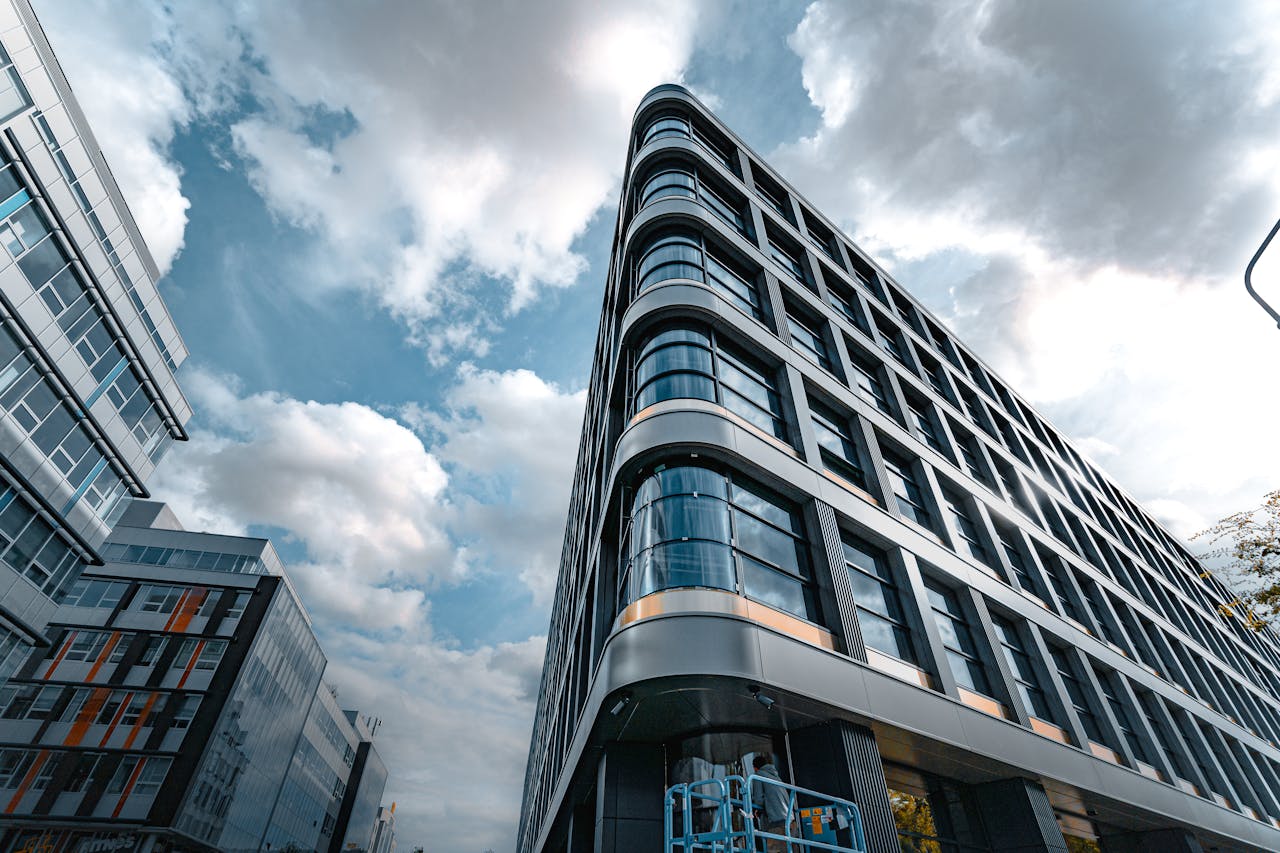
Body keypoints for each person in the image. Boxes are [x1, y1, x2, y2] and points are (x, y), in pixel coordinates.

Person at [750, 755, 792, 852]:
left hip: (775, 821)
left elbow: (758, 800)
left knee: (774, 849)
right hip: (789, 819)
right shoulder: (776, 776)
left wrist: (757, 808)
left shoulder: (758, 775)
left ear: (755, 768)